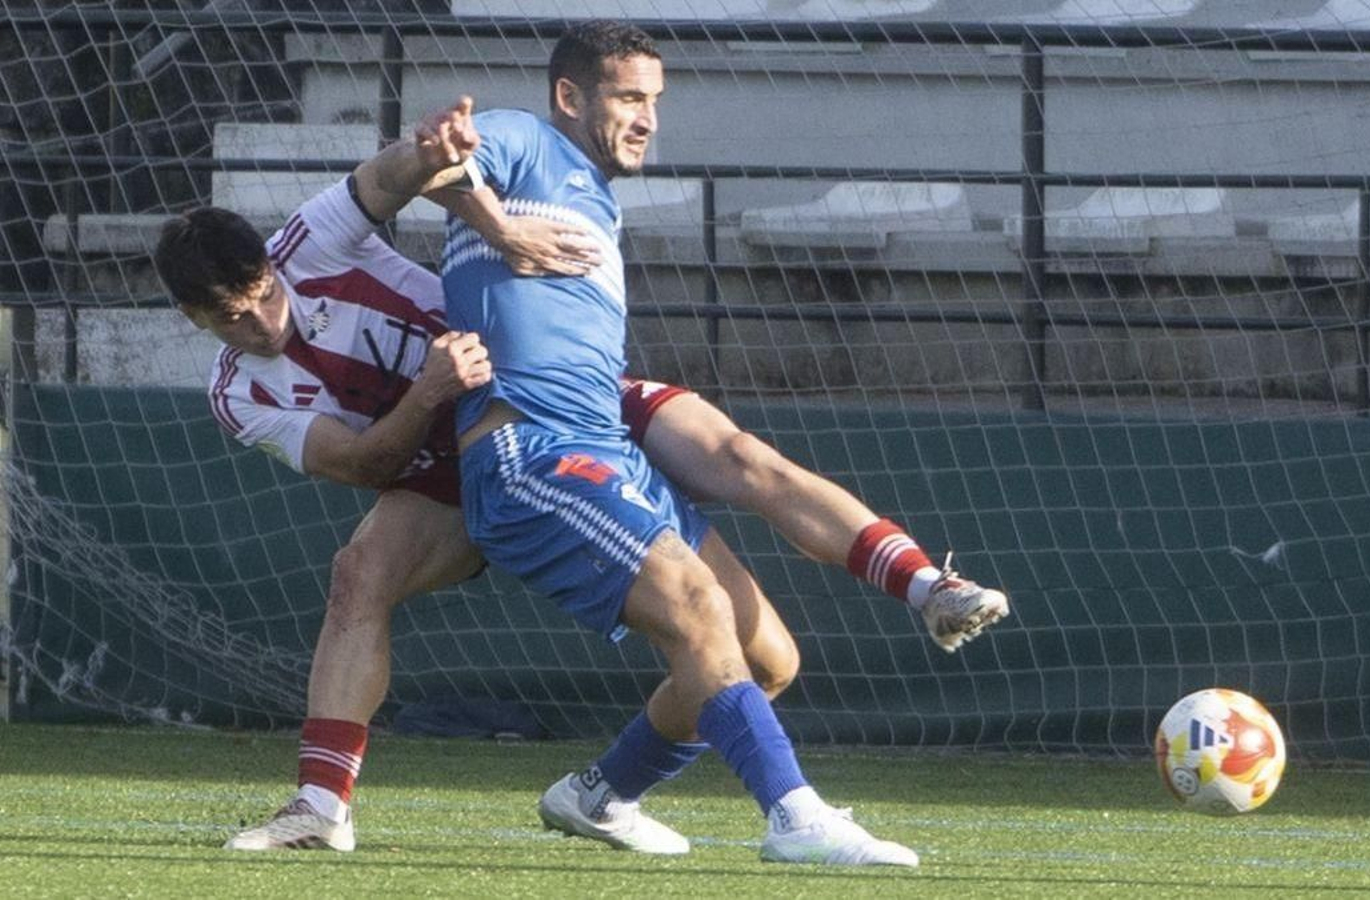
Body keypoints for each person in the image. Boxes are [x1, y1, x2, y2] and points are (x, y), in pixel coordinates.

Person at [157, 70, 1003, 863]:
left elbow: (399, 171)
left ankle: (916, 592)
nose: (260, 323)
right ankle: (319, 805)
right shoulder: (238, 394)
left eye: (263, 296)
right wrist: (428, 392)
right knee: (358, 574)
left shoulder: (308, 240)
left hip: (549, 385)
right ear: (195, 319)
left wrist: (460, 176)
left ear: (271, 264)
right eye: (231, 319)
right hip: (456, 456)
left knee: (765, 623)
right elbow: (358, 461)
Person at [440, 20, 937, 867]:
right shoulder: (527, 138)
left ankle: (599, 795)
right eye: (630, 97)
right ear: (570, 96)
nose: (648, 118)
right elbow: (437, 159)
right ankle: (794, 816)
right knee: (696, 606)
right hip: (530, 451)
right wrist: (502, 227)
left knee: (764, 656)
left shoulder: (595, 194)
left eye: (655, 102)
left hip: (601, 445)